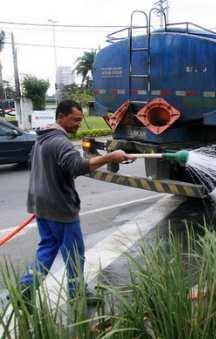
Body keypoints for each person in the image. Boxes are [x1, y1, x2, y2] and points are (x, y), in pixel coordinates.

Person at [20, 100, 134, 301]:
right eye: (74, 120)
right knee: (74, 253)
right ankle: (77, 294)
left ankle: (24, 292)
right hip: (60, 208)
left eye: (80, 120)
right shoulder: (59, 141)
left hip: (40, 205)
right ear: (61, 116)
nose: (78, 125)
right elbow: (76, 166)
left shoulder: (42, 138)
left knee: (47, 249)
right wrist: (109, 157)